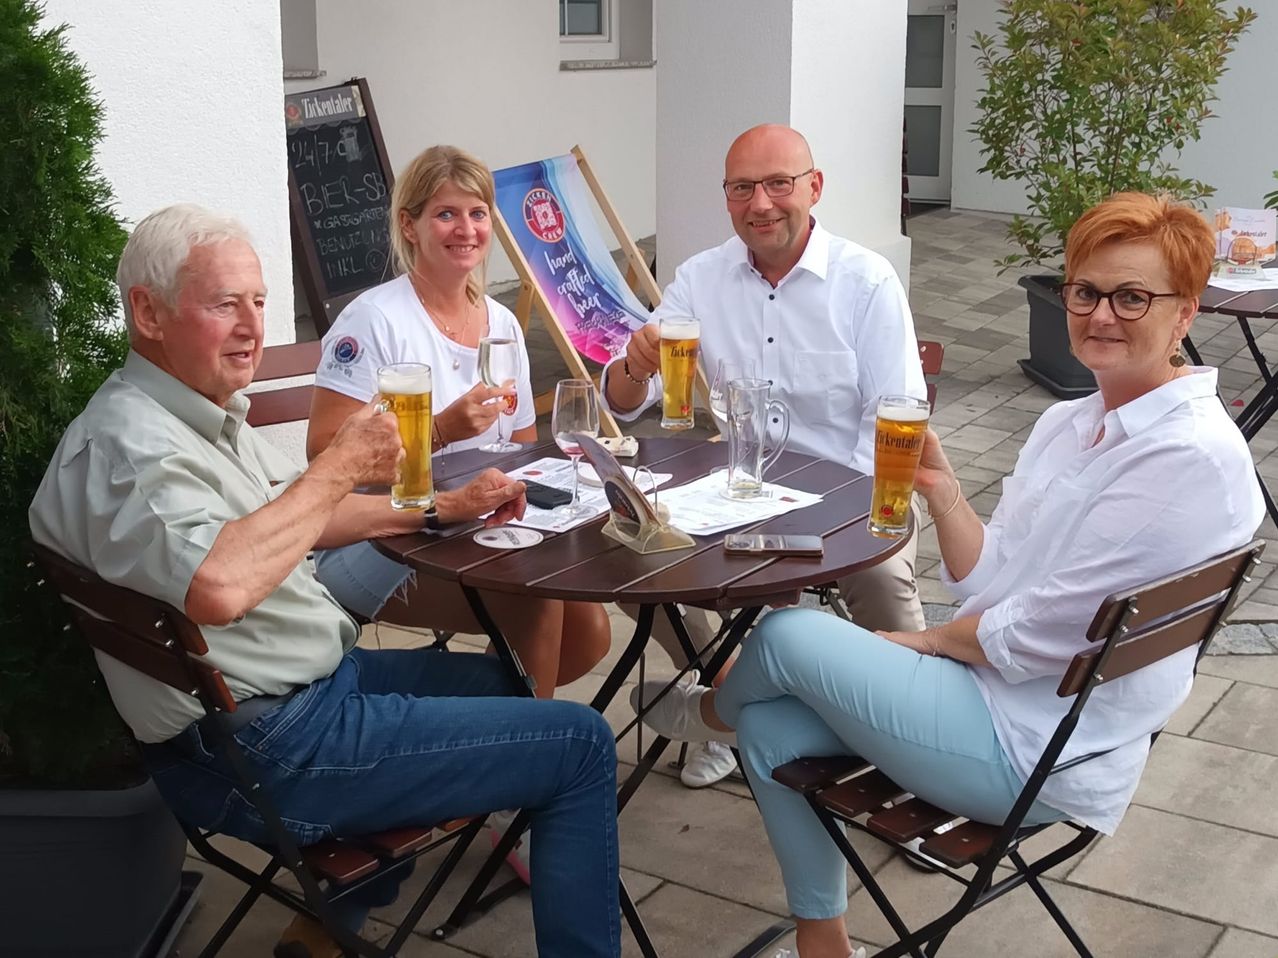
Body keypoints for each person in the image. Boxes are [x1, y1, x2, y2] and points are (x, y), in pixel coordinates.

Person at [630, 192, 1264, 958]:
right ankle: (824, 945)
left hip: (1034, 751)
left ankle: (707, 716)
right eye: (1086, 292)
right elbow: (990, 579)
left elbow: (1033, 638)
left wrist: (919, 644)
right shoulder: (1070, 422)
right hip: (993, 700)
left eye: (1132, 297)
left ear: (1185, 313)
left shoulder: (1185, 455)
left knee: (790, 635)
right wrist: (946, 491)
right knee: (771, 725)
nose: (1101, 314)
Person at [29, 204, 621, 958]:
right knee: (579, 743)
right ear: (148, 312)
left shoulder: (184, 416)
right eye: (225, 305)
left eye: (258, 303)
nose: (251, 327)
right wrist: (341, 463)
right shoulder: (137, 449)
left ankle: (327, 928)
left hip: (287, 703)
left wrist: (440, 508)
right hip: (272, 746)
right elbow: (218, 586)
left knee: (518, 689)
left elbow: (302, 514)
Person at [602, 124, 927, 788]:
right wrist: (634, 364)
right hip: (739, 493)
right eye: (742, 188)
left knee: (884, 576)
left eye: (779, 184)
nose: (761, 204)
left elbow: (896, 415)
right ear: (726, 196)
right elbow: (627, 401)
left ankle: (913, 737)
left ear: (815, 187)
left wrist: (848, 517)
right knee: (631, 552)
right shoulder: (701, 278)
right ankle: (736, 705)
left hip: (848, 497)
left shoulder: (865, 281)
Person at [307, 144, 611, 703]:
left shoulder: (501, 323)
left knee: (589, 632)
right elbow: (322, 456)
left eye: (477, 213)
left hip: (469, 528)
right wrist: (441, 430)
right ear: (410, 225)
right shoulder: (375, 319)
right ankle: (521, 745)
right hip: (378, 538)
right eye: (446, 214)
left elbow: (521, 449)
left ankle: (473, 722)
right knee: (535, 601)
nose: (466, 229)